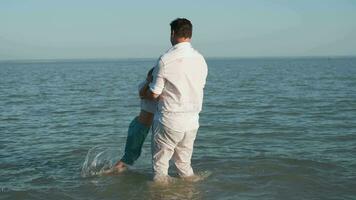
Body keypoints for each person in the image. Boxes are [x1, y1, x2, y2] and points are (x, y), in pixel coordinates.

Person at [140, 18, 208, 181]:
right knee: (184, 166)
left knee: (160, 170)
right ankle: (191, 194)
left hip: (169, 120)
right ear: (190, 34)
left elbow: (155, 93)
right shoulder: (200, 60)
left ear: (172, 33)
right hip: (192, 122)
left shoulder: (165, 60)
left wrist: (143, 92)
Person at [111, 68, 157, 172]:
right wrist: (150, 81)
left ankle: (116, 172)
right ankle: (110, 173)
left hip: (139, 124)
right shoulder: (148, 88)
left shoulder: (148, 86)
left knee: (130, 156)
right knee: (129, 157)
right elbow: (146, 96)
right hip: (140, 127)